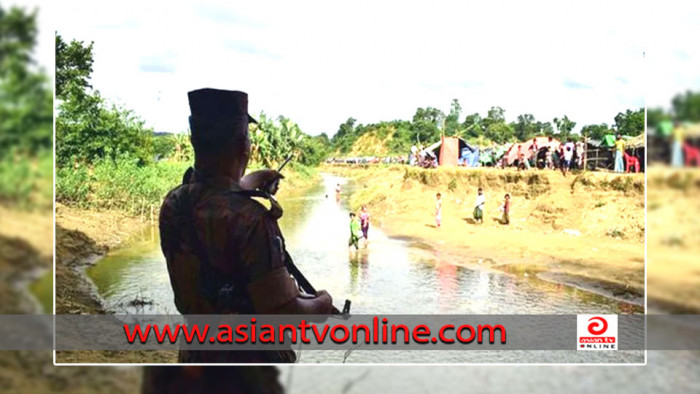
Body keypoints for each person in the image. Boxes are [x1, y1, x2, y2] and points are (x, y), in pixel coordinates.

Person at [158, 89, 334, 365]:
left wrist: (247, 184)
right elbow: (285, 313)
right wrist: (321, 303)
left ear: (195, 141)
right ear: (244, 144)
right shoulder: (251, 220)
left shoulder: (174, 203)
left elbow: (212, 198)